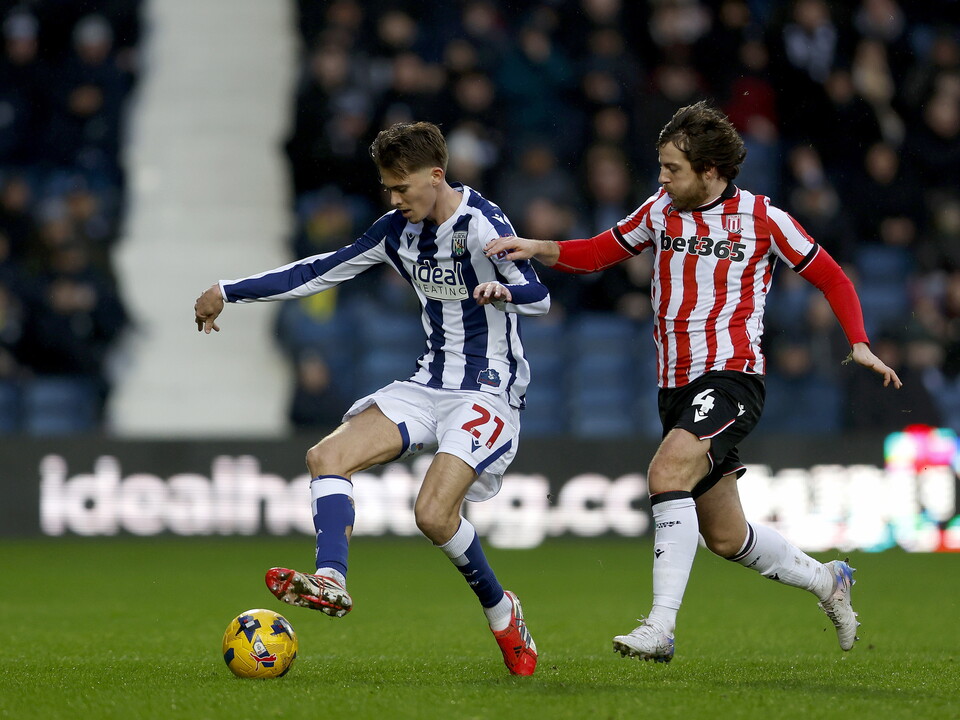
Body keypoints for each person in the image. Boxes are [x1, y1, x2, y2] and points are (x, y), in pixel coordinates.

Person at [484, 101, 902, 663]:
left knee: (665, 470)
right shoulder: (660, 210)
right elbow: (601, 252)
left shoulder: (762, 218)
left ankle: (660, 627)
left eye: (672, 168)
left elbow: (829, 273)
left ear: (710, 171)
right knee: (728, 537)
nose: (661, 177)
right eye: (660, 165)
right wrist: (537, 247)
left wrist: (857, 340)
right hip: (676, 387)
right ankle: (829, 581)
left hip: (731, 378)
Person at [195, 121, 548, 676]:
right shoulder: (394, 232)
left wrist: (506, 288)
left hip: (488, 388)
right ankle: (331, 579)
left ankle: (503, 613)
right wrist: (228, 291)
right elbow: (318, 271)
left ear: (436, 176)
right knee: (325, 457)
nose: (394, 198)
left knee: (433, 515)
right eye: (388, 187)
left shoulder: (483, 224)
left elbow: (538, 295)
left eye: (402, 187)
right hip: (428, 382)